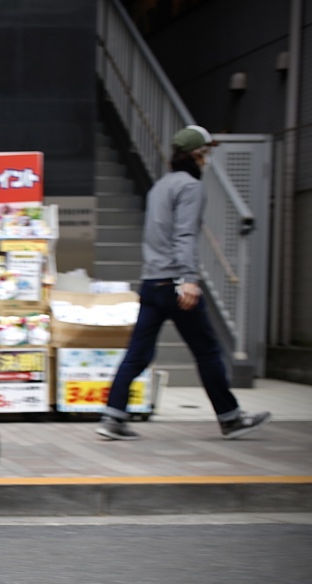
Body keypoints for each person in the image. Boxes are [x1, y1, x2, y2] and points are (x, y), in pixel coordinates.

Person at [96, 125, 270, 441]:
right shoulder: (190, 187)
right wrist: (189, 279)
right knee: (207, 351)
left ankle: (113, 416)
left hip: (152, 282)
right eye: (205, 154)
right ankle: (230, 418)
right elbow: (185, 235)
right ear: (195, 155)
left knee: (138, 352)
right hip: (176, 283)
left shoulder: (159, 187)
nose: (207, 160)